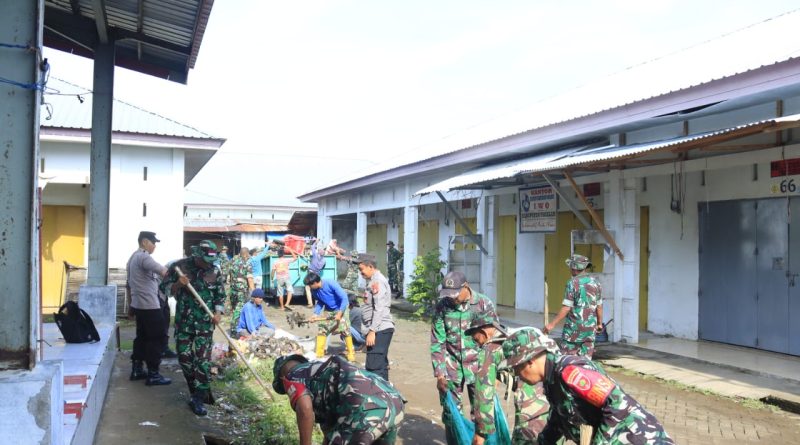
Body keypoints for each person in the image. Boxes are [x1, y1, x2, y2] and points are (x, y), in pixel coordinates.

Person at [503, 328, 673, 444]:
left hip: (637, 437)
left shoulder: (570, 371)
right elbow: (558, 418)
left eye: (517, 368)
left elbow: (616, 403)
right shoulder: (551, 381)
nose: (517, 375)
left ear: (530, 360)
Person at [273, 354, 406, 445]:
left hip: (364, 408)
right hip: (395, 400)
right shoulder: (321, 372)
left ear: (281, 378)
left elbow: (305, 410)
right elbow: (331, 429)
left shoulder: (291, 377)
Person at [160, 240, 225, 416]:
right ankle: (196, 390)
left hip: (205, 322)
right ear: (197, 255)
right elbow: (164, 289)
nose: (207, 264)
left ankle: (198, 397)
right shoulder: (179, 267)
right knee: (185, 360)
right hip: (184, 322)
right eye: (204, 260)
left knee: (202, 361)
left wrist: (218, 313)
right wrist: (178, 284)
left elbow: (220, 294)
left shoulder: (214, 270)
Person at [431, 270, 496, 445]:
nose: (451, 298)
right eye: (448, 294)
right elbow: (438, 340)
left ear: (466, 287)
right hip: (451, 365)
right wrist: (440, 373)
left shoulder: (483, 304)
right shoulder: (442, 306)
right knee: (451, 413)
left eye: (454, 294)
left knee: (482, 412)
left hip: (479, 365)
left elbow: (493, 341)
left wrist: (493, 373)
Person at [466, 311, 550, 444]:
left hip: (531, 406)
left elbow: (483, 395)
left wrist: (480, 432)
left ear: (484, 332)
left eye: (476, 339)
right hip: (553, 401)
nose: (477, 344)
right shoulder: (517, 336)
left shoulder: (490, 350)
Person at [126, 231, 171, 386]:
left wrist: (131, 306)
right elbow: (164, 271)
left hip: (139, 305)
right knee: (156, 338)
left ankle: (137, 369)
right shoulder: (144, 257)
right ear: (145, 242)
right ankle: (153, 374)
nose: (155, 246)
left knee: (142, 337)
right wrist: (179, 276)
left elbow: (129, 284)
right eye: (153, 243)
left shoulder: (132, 258)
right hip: (150, 305)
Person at [543, 254, 604, 358]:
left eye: (571, 266)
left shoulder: (572, 283)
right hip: (589, 331)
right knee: (586, 362)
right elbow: (599, 306)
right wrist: (599, 324)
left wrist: (552, 324)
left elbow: (567, 307)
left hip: (573, 331)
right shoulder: (596, 283)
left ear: (574, 267)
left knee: (567, 361)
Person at [358, 255, 395, 381]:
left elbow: (379, 308)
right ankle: (385, 395)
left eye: (361, 269)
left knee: (374, 367)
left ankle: (379, 396)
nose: (360, 273)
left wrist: (372, 331)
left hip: (379, 329)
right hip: (378, 329)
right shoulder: (373, 281)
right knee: (380, 365)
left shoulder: (377, 281)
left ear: (370, 267)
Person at [304, 271, 356, 361]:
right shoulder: (314, 290)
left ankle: (351, 353)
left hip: (341, 308)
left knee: (345, 330)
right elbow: (320, 302)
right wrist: (315, 314)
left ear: (315, 282)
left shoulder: (330, 283)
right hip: (328, 309)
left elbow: (344, 298)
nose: (309, 287)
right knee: (322, 330)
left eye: (309, 285)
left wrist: (340, 313)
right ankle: (319, 354)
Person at [227, 247, 255, 335]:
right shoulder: (247, 264)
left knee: (235, 309)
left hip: (233, 290)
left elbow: (229, 276)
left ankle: (239, 327)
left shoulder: (233, 262)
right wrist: (254, 292)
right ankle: (234, 330)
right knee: (239, 310)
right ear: (246, 254)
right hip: (241, 291)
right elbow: (250, 279)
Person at [304, 239, 326, 308]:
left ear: (319, 252)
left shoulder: (315, 255)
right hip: (317, 275)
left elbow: (312, 247)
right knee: (317, 288)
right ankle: (319, 302)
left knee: (308, 288)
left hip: (311, 273)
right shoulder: (324, 261)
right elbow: (322, 268)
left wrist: (316, 241)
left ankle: (310, 303)